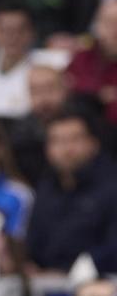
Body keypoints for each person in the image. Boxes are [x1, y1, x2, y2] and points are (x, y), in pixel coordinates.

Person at [25, 111, 117, 275]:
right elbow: (34, 243)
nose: (67, 149)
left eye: (75, 139)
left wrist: (89, 265)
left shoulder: (111, 186)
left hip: (102, 279)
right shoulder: (45, 188)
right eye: (57, 141)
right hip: (48, 280)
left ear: (93, 144)